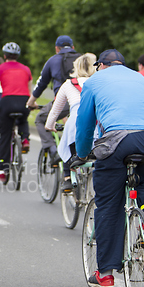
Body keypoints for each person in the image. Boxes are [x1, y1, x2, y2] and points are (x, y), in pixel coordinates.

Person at [75, 49, 144, 287]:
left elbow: (84, 124)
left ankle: (104, 274)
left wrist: (82, 153)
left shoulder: (94, 82)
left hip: (117, 140)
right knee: (143, 174)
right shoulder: (141, 78)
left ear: (101, 65)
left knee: (108, 204)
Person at [45, 53, 97, 192]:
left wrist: (50, 125)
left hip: (76, 126)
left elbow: (56, 110)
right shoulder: (100, 83)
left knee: (68, 145)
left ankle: (68, 177)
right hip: (97, 128)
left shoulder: (68, 84)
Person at [26, 35, 81, 164]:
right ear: (73, 47)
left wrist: (31, 102)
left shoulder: (53, 60)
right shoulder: (82, 59)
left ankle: (53, 150)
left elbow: (42, 84)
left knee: (40, 119)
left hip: (64, 102)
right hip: (85, 101)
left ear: (57, 48)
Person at [0, 43, 32, 184]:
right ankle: (25, 139)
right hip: (23, 101)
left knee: (4, 135)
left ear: (4, 56)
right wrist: (31, 104)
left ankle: (3, 169)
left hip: (7, 102)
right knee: (23, 120)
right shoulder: (26, 69)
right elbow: (30, 91)